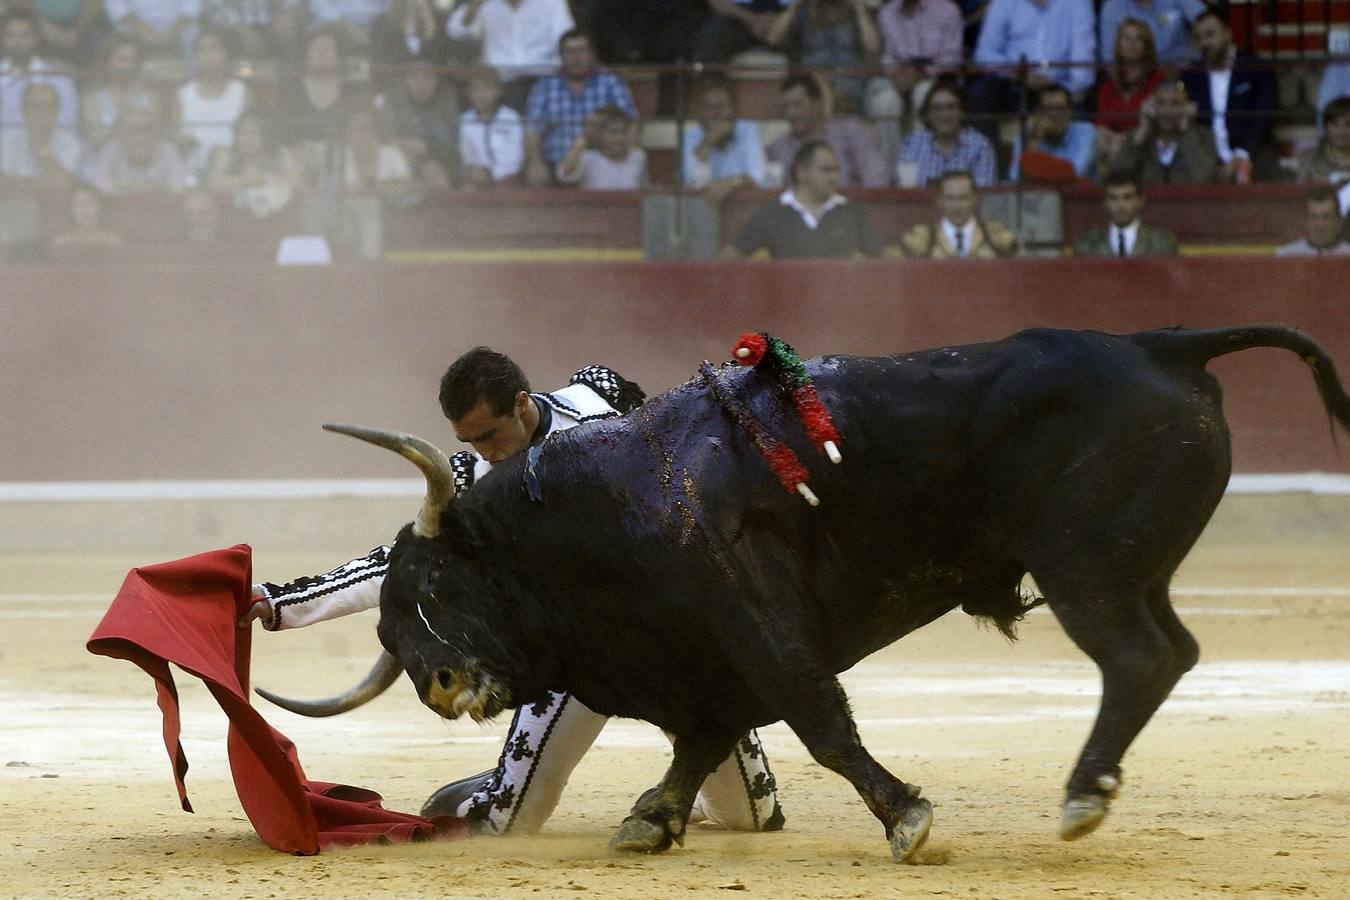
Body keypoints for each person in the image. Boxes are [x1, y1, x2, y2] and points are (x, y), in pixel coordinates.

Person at [242, 347, 785, 837]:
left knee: (752, 820)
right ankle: (498, 787)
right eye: (469, 441)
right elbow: (404, 564)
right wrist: (280, 603)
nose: (484, 452)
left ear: (523, 404)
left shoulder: (600, 399)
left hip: (667, 647)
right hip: (571, 660)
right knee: (506, 824)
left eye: (490, 434)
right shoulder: (475, 481)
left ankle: (668, 791)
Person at [723, 139, 886, 259]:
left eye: (836, 170)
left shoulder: (851, 212)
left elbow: (884, 256)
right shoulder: (771, 213)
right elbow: (730, 257)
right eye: (825, 170)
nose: (833, 177)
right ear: (801, 173)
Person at [966, 0, 1096, 141]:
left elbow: (1083, 65)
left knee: (1081, 105)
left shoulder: (1078, 3)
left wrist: (1064, 88)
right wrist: (1019, 73)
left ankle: (1072, 161)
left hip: (1061, 86)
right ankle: (988, 159)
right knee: (979, 94)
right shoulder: (1003, 3)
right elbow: (984, 53)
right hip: (1015, 82)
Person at [522, 29, 637, 187]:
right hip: (555, 163)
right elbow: (532, 129)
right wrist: (535, 163)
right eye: (569, 52)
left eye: (581, 50)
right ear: (560, 56)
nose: (575, 57)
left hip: (600, 163)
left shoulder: (611, 81)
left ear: (593, 54)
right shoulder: (545, 85)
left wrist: (623, 159)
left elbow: (632, 122)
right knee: (537, 176)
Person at [1179, 6, 1278, 183]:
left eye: (1210, 35)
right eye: (1198, 38)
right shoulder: (1191, 76)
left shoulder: (1256, 67)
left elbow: (1264, 115)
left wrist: (1241, 155)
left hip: (1251, 150)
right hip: (1205, 155)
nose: (1204, 43)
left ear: (1227, 34)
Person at [765, 72, 889, 188]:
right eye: (785, 107)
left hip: (850, 207)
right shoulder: (778, 149)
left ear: (817, 104)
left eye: (798, 104)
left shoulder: (850, 132)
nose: (790, 113)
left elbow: (875, 176)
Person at [446, 0, 574, 112]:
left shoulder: (552, 2)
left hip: (543, 80)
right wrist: (474, 5)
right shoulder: (486, 4)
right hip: (500, 84)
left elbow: (565, 40)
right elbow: (456, 30)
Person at [869, 0, 963, 146]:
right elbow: (887, 58)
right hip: (900, 78)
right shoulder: (887, 13)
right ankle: (892, 166)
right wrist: (895, 74)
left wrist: (921, 73)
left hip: (935, 78)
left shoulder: (948, 10)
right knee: (884, 102)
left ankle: (921, 160)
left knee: (922, 93)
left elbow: (952, 59)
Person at [762, 0, 882, 114]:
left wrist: (859, 9)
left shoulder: (855, 13)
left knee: (832, 94)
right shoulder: (805, 13)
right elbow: (773, 39)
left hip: (847, 82)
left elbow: (873, 48)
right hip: (813, 82)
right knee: (812, 93)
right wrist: (794, 6)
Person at [1106, 78, 1217, 184]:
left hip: (1188, 202)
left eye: (1175, 104)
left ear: (1188, 107)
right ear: (1150, 105)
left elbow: (1204, 177)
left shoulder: (1204, 136)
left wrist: (1187, 132)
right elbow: (1117, 176)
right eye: (1161, 103)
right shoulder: (1140, 136)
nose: (1167, 111)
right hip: (1145, 202)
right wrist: (1142, 131)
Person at [174, 27, 251, 178]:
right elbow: (177, 141)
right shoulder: (183, 95)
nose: (207, 55)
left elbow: (250, 138)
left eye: (214, 48)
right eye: (201, 50)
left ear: (227, 53)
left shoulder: (243, 93)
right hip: (191, 173)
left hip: (233, 172)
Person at [680, 75, 771, 203]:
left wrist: (729, 183)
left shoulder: (748, 130)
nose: (716, 114)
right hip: (704, 212)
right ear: (699, 112)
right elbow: (691, 181)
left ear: (734, 109)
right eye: (709, 108)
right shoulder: (690, 137)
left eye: (722, 106)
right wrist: (707, 143)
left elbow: (758, 175)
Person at [1093, 18, 1165, 174]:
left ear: (1147, 47)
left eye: (1138, 38)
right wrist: (1113, 141)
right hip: (1113, 146)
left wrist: (1124, 141)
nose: (1132, 43)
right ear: (1118, 46)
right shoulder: (1108, 87)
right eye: (1127, 38)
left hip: (1148, 144)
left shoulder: (1159, 82)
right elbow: (1101, 127)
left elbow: (1156, 126)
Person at [894, 79, 996, 187]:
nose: (945, 114)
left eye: (951, 107)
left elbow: (983, 194)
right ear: (927, 114)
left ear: (962, 111)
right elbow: (905, 190)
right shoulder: (911, 145)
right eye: (937, 108)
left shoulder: (980, 146)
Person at [377, 55, 458, 189]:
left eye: (427, 78)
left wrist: (425, 149)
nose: (421, 84)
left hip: (438, 162)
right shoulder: (393, 100)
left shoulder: (446, 99)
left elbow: (447, 142)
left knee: (437, 174)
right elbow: (386, 138)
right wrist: (413, 144)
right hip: (402, 162)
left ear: (436, 81)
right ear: (406, 80)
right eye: (414, 77)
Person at [899, 167, 1018, 257]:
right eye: (950, 198)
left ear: (976, 199)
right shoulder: (920, 238)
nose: (957, 206)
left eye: (963, 198)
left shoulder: (997, 236)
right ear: (939, 200)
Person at [205, 109, 300, 220]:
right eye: (242, 133)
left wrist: (265, 179)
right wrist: (242, 180)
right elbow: (212, 184)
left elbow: (295, 183)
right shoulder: (227, 154)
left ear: (266, 135)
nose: (247, 139)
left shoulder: (281, 153)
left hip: (276, 214)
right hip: (235, 216)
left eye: (254, 133)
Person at [1, 10, 79, 134]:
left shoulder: (59, 78)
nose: (18, 43)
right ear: (3, 38)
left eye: (25, 35)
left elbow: (66, 124)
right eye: (11, 36)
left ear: (36, 37)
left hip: (50, 147)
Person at [0, 81, 83, 196]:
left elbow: (64, 186)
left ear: (57, 110)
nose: (41, 111)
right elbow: (3, 184)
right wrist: (43, 184)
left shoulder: (72, 143)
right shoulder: (6, 140)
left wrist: (41, 149)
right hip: (13, 206)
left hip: (54, 207)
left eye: (48, 105)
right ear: (23, 109)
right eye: (34, 105)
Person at [79, 35, 161, 151]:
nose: (129, 66)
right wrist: (130, 103)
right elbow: (97, 145)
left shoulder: (151, 98)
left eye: (133, 60)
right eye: (122, 60)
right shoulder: (91, 100)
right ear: (107, 63)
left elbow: (156, 141)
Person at [88, 105, 190, 195]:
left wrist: (126, 187)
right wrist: (152, 188)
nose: (139, 136)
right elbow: (99, 187)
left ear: (156, 133)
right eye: (133, 130)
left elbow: (178, 188)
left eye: (146, 130)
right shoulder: (110, 150)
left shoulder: (168, 150)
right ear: (120, 133)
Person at [1071, 173, 1178, 256]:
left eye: (1127, 197)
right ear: (1105, 202)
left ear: (1140, 200)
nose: (1120, 205)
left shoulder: (1161, 241)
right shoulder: (1087, 243)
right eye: (1113, 198)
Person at [1008, 83, 1095, 182]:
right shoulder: (1025, 138)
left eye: (1060, 109)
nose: (1054, 115)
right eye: (1048, 109)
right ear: (1038, 112)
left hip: (1076, 196)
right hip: (1039, 195)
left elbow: (1076, 173)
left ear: (1070, 112)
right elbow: (1015, 178)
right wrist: (1036, 138)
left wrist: (1037, 172)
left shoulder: (1085, 131)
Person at [458, 65, 525, 188]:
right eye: (476, 89)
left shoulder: (511, 118)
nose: (481, 95)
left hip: (507, 179)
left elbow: (515, 159)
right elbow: (466, 157)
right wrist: (474, 172)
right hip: (476, 179)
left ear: (498, 91)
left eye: (487, 89)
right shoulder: (464, 121)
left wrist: (491, 175)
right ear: (469, 93)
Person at [556, 103, 646, 189]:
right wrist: (584, 137)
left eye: (624, 131)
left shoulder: (637, 156)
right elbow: (564, 174)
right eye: (614, 132)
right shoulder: (588, 158)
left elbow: (644, 189)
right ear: (600, 134)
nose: (620, 137)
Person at [368, 0, 450, 93]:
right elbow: (380, 60)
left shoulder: (441, 19)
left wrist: (430, 27)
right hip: (395, 88)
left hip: (434, 89)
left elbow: (442, 58)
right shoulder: (382, 23)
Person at [1096, 0, 1203, 67]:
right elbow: (1110, 61)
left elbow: (1209, 23)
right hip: (1138, 80)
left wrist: (1189, 58)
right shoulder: (1112, 7)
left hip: (1183, 72)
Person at [695, 0, 792, 67]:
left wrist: (782, 19)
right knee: (715, 27)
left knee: (801, 23)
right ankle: (713, 87)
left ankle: (800, 87)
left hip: (788, 17)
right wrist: (752, 20)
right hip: (740, 17)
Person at [1275, 186, 1350, 257]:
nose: (1320, 224)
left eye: (1327, 217)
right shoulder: (1285, 256)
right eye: (1313, 217)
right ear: (1304, 221)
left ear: (1338, 222)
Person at [1295, 96, 1350, 185]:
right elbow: (1299, 193)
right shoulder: (1309, 157)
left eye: (1348, 124)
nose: (1341, 131)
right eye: (1335, 124)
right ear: (1326, 127)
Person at [49, 185, 123, 247]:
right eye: (79, 203)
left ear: (100, 207)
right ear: (70, 209)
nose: (85, 209)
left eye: (90, 202)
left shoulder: (114, 244)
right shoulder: (61, 245)